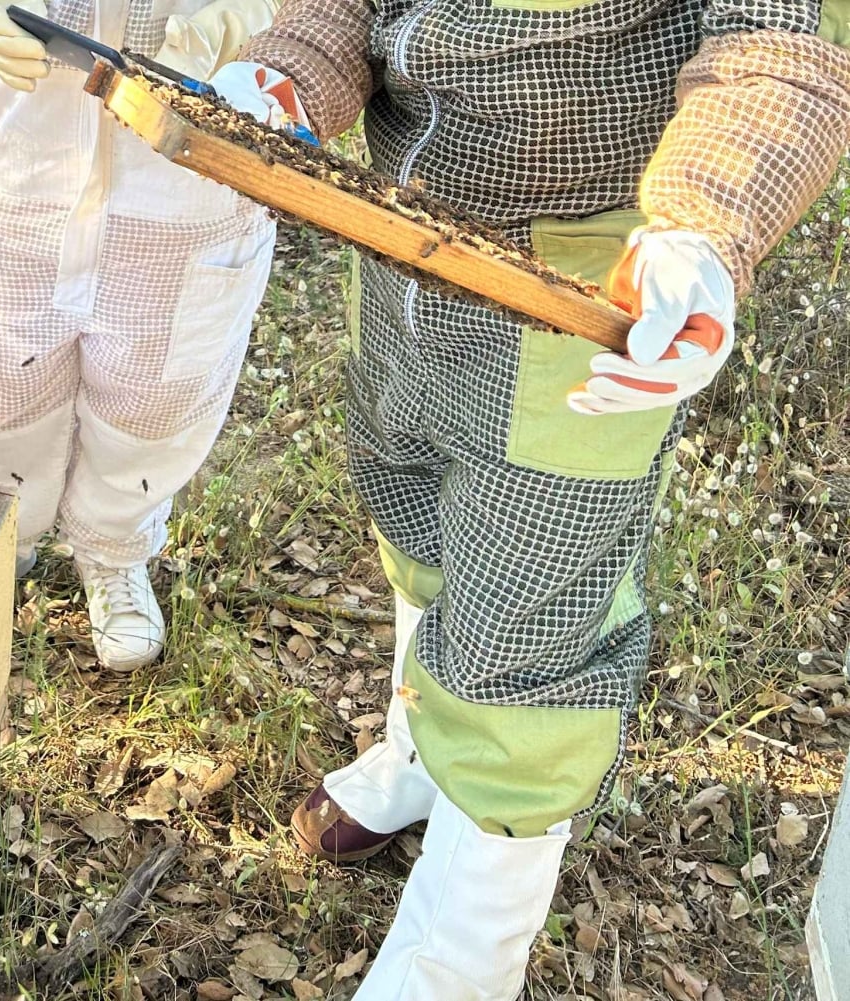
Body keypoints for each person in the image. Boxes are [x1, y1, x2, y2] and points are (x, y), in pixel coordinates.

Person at [208, 3, 850, 997]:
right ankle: (420, 752)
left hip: (584, 290)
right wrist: (284, 78)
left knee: (525, 622)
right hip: (402, 250)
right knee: (418, 524)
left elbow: (772, 48)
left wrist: (706, 225)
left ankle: (458, 963)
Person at [0, 0, 280, 671]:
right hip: (26, 152)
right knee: (4, 375)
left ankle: (114, 550)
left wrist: (251, 13)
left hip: (187, 169)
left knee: (155, 397)